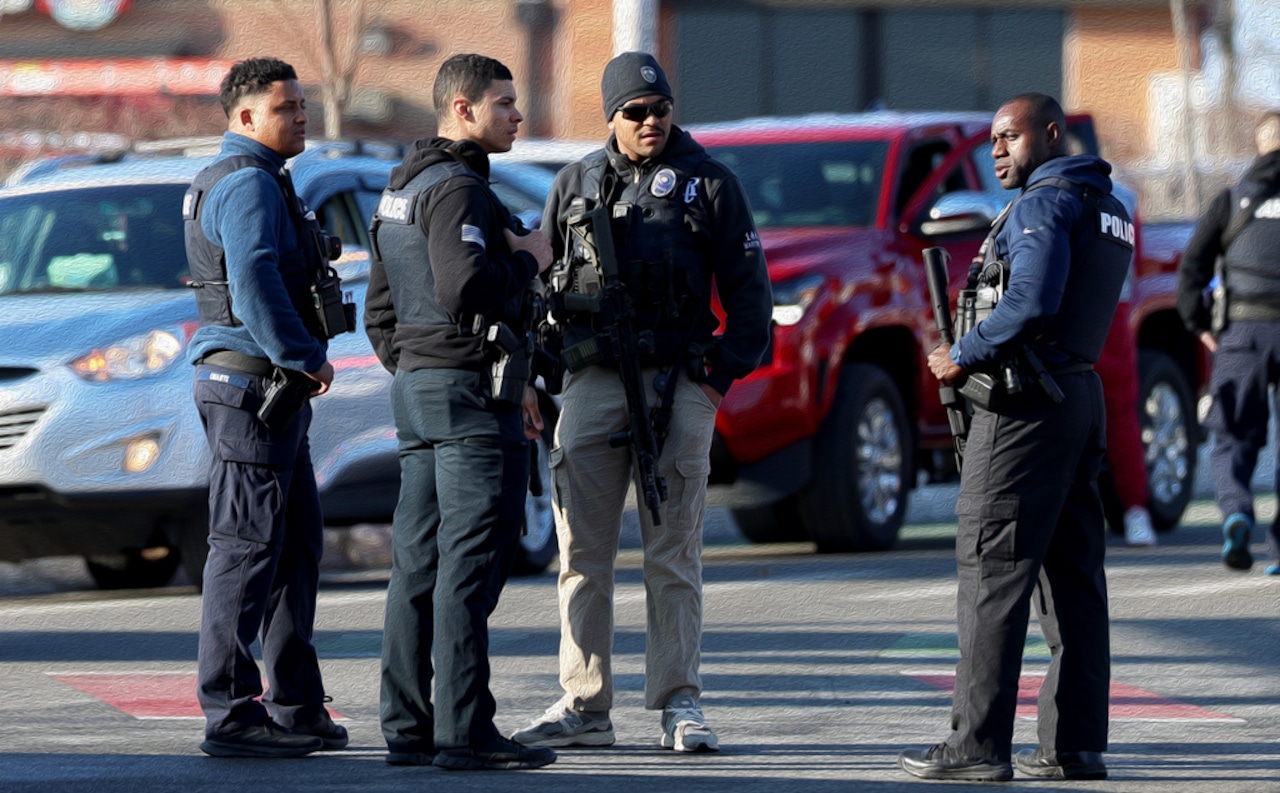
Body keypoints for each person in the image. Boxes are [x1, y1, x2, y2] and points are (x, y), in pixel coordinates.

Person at [511, 51, 772, 753]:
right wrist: (533, 378)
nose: (651, 121)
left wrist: (713, 383)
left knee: (673, 553)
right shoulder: (574, 182)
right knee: (580, 552)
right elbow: (538, 289)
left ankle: (680, 703)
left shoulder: (710, 183)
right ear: (612, 117)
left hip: (678, 380)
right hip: (592, 380)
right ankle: (584, 703)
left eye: (661, 109)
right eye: (635, 112)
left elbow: (752, 300)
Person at [901, 93, 1134, 782]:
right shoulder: (1106, 204)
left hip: (1025, 406)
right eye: (993, 140)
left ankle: (975, 746)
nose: (997, 151)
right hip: (1076, 395)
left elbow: (1031, 302)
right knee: (1073, 580)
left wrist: (962, 352)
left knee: (991, 571)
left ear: (1051, 133)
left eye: (1010, 137)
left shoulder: (1045, 203)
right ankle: (1074, 745)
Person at [363, 53, 557, 772]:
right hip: (467, 397)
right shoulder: (458, 189)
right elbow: (467, 286)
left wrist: (418, 365)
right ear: (463, 109)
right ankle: (465, 731)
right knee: (470, 564)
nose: (517, 115)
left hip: (420, 391)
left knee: (417, 564)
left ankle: (407, 725)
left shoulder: (401, 185)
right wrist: (532, 259)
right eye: (503, 103)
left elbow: (378, 310)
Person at [185, 57, 347, 758]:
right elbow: (251, 275)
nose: (301, 116)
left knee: (294, 547)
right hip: (253, 387)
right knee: (247, 549)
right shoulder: (248, 182)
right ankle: (230, 713)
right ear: (245, 117)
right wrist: (303, 354)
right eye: (286, 108)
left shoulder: (257, 176)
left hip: (265, 391)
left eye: (302, 104)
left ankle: (295, 703)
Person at [1176, 111, 1280, 577]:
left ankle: (1236, 513)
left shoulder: (1232, 199)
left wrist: (1199, 324)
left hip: (1242, 333)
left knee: (1233, 434)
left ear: (1259, 146)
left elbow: (1191, 269)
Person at [1098, 292, 1158, 547]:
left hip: (1074, 308)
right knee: (1120, 417)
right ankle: (1135, 510)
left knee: (1118, 415)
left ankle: (1135, 509)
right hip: (1110, 306)